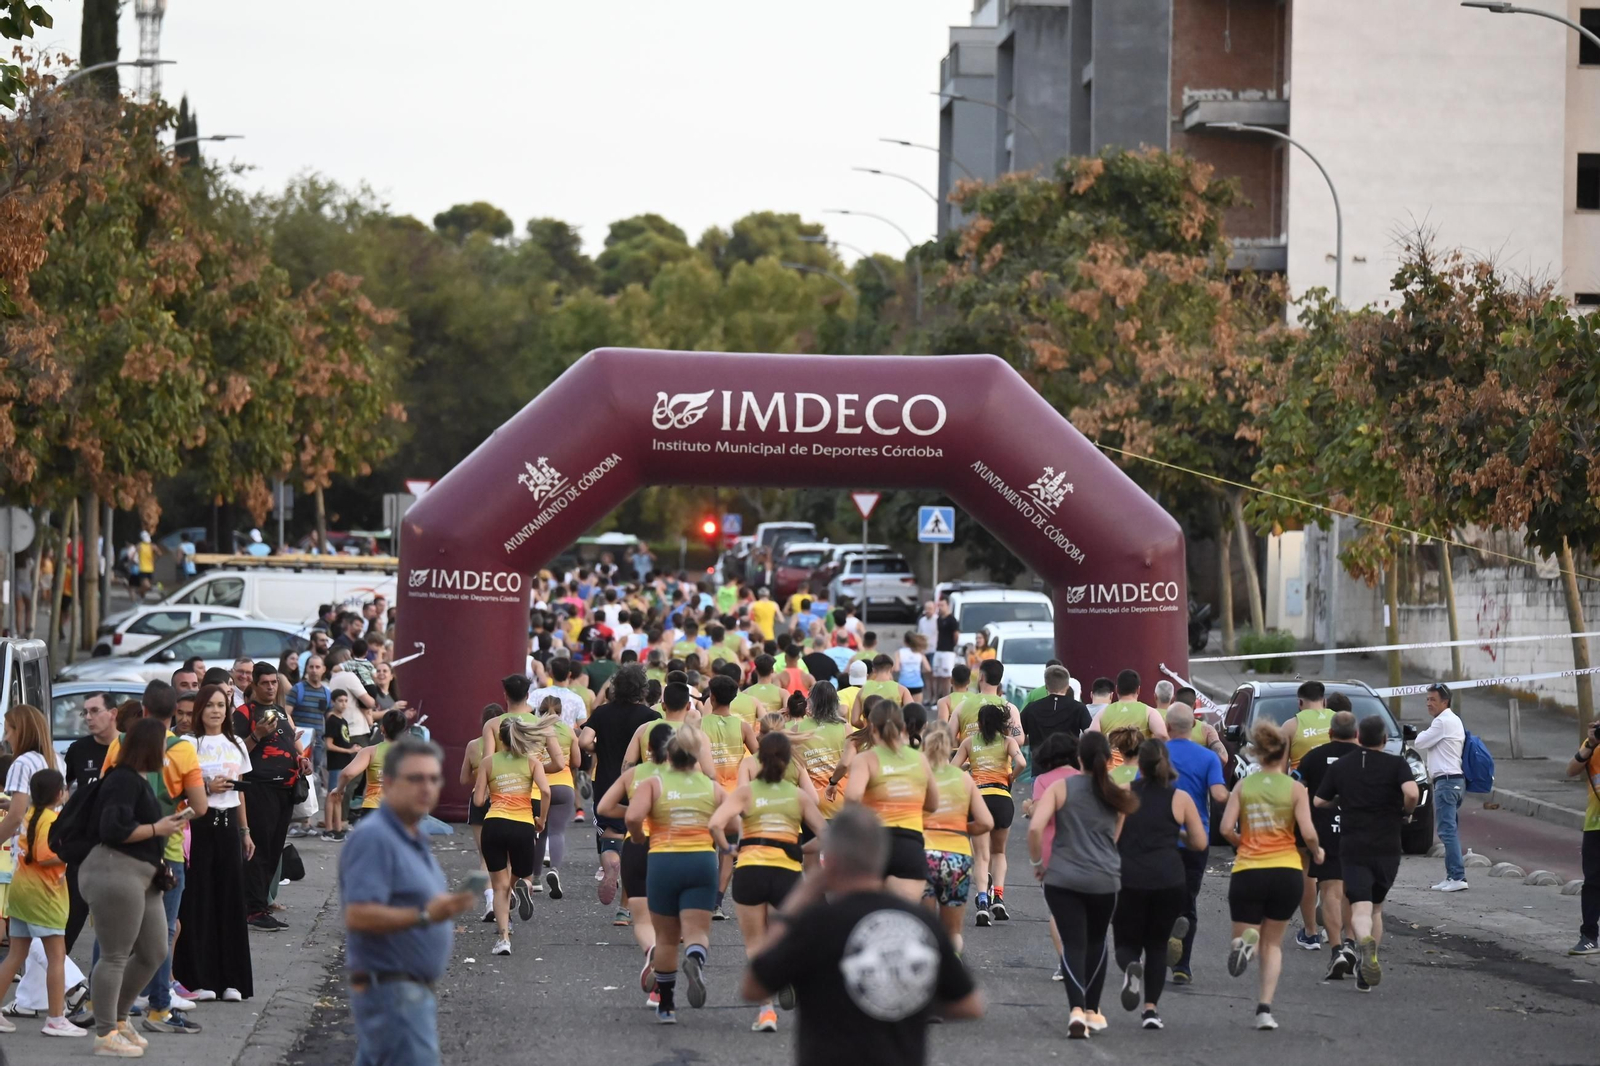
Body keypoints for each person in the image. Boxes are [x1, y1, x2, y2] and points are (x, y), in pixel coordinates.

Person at [741, 806, 983, 1064]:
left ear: (830, 859)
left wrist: (795, 903)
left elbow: (753, 987)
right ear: (883, 856)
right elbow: (970, 1005)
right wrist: (903, 996)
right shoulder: (920, 921)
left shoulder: (817, 923)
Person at [339, 736, 477, 1066]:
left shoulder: (411, 834)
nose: (426, 788)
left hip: (404, 991)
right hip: (393, 993)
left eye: (433, 778)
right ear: (387, 783)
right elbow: (358, 915)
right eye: (415, 778)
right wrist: (425, 916)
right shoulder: (375, 837)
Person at [99, 681, 209, 1035]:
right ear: (174, 712)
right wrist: (175, 814)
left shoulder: (119, 744)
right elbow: (200, 806)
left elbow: (103, 791)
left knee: (111, 929)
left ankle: (98, 1003)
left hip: (123, 849)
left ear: (142, 709)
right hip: (168, 851)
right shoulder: (183, 750)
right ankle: (159, 1005)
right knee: (163, 930)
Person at [81, 717, 190, 1057]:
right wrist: (159, 829)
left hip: (142, 874)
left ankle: (119, 1018)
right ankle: (105, 1033)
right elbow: (113, 829)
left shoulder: (138, 779)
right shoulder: (123, 780)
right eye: (163, 745)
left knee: (155, 949)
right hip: (116, 872)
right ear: (149, 748)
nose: (166, 752)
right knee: (115, 954)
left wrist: (162, 830)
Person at [709, 730, 827, 1032]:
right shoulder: (798, 796)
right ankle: (786, 973)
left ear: (759, 758)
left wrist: (728, 848)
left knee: (755, 945)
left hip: (750, 871)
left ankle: (766, 1012)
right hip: (786, 874)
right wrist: (802, 849)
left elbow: (716, 823)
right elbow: (828, 835)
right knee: (782, 937)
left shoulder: (746, 793)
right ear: (788, 762)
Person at [1028, 731, 1138, 1039]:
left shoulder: (1061, 787)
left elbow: (1035, 828)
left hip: (1062, 876)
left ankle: (1076, 1010)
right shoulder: (1116, 791)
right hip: (1104, 877)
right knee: (1097, 941)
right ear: (1108, 759)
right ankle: (1092, 1010)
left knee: (1073, 943)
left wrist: (1038, 864)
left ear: (1079, 758)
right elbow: (1116, 834)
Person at [1219, 721, 1323, 1031]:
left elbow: (1225, 828)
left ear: (1258, 753)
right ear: (1283, 753)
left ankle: (1245, 945)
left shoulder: (1243, 786)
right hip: (1286, 872)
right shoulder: (1295, 789)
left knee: (1244, 938)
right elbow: (1308, 833)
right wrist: (1317, 852)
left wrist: (1242, 842)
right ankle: (1264, 1010)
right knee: (1273, 945)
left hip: (1249, 870)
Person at [626, 724, 725, 1024]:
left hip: (663, 861)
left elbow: (633, 816)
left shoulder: (653, 783)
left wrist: (639, 836)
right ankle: (695, 958)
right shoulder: (712, 786)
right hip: (701, 861)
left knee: (667, 939)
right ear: (696, 756)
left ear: (668, 754)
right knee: (697, 932)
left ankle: (667, 1005)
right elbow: (733, 823)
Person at [1313, 714, 1419, 992]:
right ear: (1384, 739)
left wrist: (1340, 800)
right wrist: (1405, 812)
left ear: (1359, 737)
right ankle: (1366, 962)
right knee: (1376, 908)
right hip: (1388, 847)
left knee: (1360, 906)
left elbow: (1319, 800)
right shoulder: (1397, 764)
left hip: (1354, 846)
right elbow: (1411, 793)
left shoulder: (1343, 766)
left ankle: (1362, 945)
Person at [1112, 739, 1207, 1030]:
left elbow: (1113, 838)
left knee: (1125, 944)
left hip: (1130, 878)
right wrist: (1177, 834)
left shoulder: (1125, 792)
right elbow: (1200, 842)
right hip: (1169, 879)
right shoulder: (1180, 798)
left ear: (1139, 765)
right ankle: (1151, 1011)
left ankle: (1131, 967)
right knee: (1156, 946)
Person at [172, 684, 255, 1003]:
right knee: (198, 901)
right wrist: (205, 787)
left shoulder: (236, 744)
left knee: (231, 900)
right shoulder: (188, 743)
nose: (216, 711)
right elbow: (177, 788)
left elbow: (240, 792)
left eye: (221, 705)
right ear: (200, 710)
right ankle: (199, 979)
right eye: (210, 705)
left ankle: (232, 980)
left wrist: (245, 831)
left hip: (228, 825)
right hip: (198, 825)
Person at [597, 722, 673, 1007]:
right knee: (667, 921)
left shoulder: (634, 774)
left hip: (637, 846)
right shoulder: (684, 776)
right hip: (671, 848)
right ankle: (661, 989)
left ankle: (651, 951)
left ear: (648, 748)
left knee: (641, 919)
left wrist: (633, 811)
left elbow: (604, 808)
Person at [0, 767, 81, 1036]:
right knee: (56, 956)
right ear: (59, 794)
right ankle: (56, 1018)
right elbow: (45, 856)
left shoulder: (29, 814)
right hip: (44, 896)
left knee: (15, 954)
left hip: (21, 892)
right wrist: (73, 852)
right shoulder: (50, 820)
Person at [579, 664, 658, 915]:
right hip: (638, 782)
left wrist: (599, 748)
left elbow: (583, 741)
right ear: (642, 689)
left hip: (607, 783)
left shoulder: (602, 712)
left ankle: (611, 863)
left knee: (610, 837)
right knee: (635, 841)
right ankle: (625, 909)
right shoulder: (651, 716)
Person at [235, 663, 308, 932]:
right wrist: (257, 735)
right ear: (254, 684)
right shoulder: (244, 714)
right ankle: (253, 910)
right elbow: (235, 753)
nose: (270, 687)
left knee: (274, 851)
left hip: (285, 790)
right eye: (264, 683)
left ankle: (260, 905)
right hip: (259, 789)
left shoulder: (280, 712)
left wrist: (301, 761)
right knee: (260, 851)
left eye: (273, 682)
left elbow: (290, 745)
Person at [843, 701, 938, 902]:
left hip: (874, 843)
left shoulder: (866, 759)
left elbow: (852, 797)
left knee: (869, 914)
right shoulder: (919, 759)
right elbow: (933, 804)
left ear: (872, 728)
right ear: (903, 727)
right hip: (909, 844)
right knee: (902, 915)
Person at [1161, 703, 1228, 985]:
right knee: (1187, 902)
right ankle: (1182, 967)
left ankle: (1158, 953)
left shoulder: (1157, 755)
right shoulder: (1207, 757)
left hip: (1161, 838)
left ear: (1167, 727)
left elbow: (1139, 790)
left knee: (1159, 898)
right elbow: (1219, 796)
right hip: (1196, 839)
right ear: (1193, 727)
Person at [473, 717, 553, 956]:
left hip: (494, 825)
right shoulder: (532, 762)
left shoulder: (488, 762)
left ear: (500, 738)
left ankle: (504, 939)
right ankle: (523, 888)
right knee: (522, 877)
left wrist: (492, 792)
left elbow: (478, 801)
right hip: (523, 826)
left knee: (499, 888)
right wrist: (542, 819)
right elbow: (546, 791)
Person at [1295, 710, 1361, 978]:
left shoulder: (1313, 757)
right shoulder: (1368, 758)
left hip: (1325, 829)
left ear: (1330, 732)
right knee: (1353, 891)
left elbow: (1297, 787)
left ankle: (1336, 949)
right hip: (1360, 831)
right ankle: (1351, 943)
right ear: (1356, 733)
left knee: (1331, 891)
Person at [919, 727, 991, 955]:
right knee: (953, 933)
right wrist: (960, 828)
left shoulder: (917, 776)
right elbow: (986, 822)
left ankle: (930, 971)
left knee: (926, 929)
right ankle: (953, 966)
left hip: (924, 855)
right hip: (957, 858)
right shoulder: (963, 779)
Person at [955, 702, 1023, 927]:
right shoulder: (1008, 742)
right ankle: (999, 898)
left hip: (978, 800)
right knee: (999, 852)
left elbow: (952, 769)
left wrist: (967, 768)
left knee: (981, 856)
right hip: (1002, 798)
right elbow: (1022, 762)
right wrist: (1011, 777)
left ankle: (982, 901)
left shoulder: (968, 742)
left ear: (980, 723)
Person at [62, 692, 117, 951]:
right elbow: (63, 788)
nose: (88, 717)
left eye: (95, 711)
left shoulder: (129, 747)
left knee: (115, 919)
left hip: (119, 843)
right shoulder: (79, 749)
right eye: (85, 712)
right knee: (73, 911)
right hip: (83, 843)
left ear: (113, 713)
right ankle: (56, 965)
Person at [1414, 682, 1468, 892]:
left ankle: (1457, 876)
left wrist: (1423, 733)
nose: (1429, 703)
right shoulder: (1451, 720)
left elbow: (1419, 742)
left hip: (1447, 782)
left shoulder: (1442, 722)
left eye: (1433, 700)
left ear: (1445, 702)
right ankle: (1451, 875)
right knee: (1449, 830)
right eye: (1427, 699)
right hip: (1453, 782)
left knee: (1447, 831)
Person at [532, 694, 582, 900]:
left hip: (538, 787)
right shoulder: (568, 731)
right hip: (563, 785)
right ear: (561, 713)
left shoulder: (534, 729)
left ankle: (535, 879)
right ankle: (554, 870)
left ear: (539, 711)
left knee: (539, 832)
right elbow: (577, 762)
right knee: (557, 832)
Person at [1568, 716, 1600, 955]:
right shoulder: (1592, 746)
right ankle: (1588, 936)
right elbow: (1571, 770)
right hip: (1595, 824)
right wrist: (1589, 744)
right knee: (1592, 882)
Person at [1021, 666, 1092, 757]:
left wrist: (1033, 740)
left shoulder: (1031, 708)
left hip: (1040, 760)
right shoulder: (1079, 708)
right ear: (1067, 686)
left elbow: (1018, 737)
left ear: (1046, 685)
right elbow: (1090, 734)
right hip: (1069, 760)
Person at [1087, 670, 1168, 749]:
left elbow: (1090, 739)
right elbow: (1163, 735)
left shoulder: (1102, 713)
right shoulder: (1149, 712)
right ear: (1138, 690)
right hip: (1139, 757)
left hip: (1111, 757)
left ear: (1117, 689)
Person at [324, 690, 358, 841]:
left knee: (339, 796)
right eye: (340, 701)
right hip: (336, 762)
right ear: (333, 702)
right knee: (332, 795)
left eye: (345, 700)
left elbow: (343, 741)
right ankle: (328, 830)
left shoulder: (343, 721)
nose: (343, 704)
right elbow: (329, 745)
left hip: (344, 762)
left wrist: (352, 748)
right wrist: (349, 750)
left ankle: (337, 828)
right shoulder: (332, 720)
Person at [897, 634, 930, 699]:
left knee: (903, 704)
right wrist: (920, 671)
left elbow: (896, 668)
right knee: (917, 705)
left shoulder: (900, 652)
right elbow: (927, 668)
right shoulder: (919, 653)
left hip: (903, 683)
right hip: (917, 684)